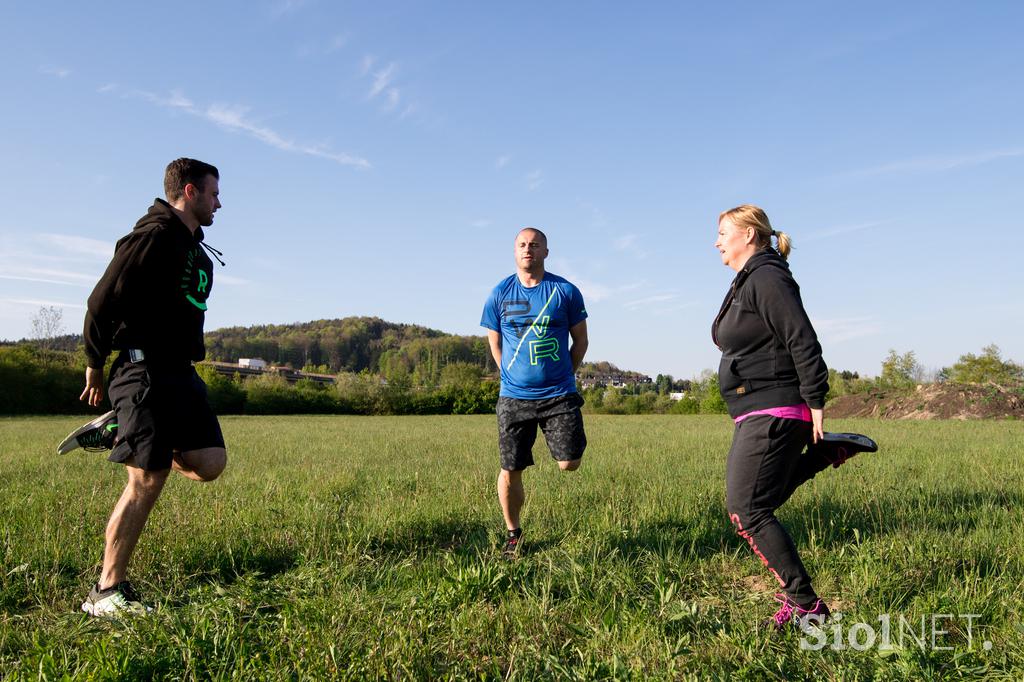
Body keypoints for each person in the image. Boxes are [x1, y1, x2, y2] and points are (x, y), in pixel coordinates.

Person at [57, 158, 228, 616]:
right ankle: (106, 592)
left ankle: (123, 432)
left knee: (211, 462)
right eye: (213, 193)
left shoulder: (190, 244)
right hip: (141, 370)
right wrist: (94, 365)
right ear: (189, 192)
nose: (219, 203)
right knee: (147, 478)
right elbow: (100, 300)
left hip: (178, 371)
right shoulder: (152, 236)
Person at [712, 204, 877, 632]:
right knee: (754, 504)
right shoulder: (752, 277)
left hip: (777, 407)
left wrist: (816, 400)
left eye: (724, 233)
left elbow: (801, 337)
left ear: (750, 234)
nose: (717, 242)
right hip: (760, 408)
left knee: (747, 509)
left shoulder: (767, 276)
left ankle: (807, 605)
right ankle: (826, 456)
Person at [480, 227, 589, 556]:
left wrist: (565, 374)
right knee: (510, 469)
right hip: (514, 397)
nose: (528, 249)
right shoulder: (500, 293)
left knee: (569, 463)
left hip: (559, 393)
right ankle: (514, 534)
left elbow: (581, 340)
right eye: (522, 245)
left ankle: (561, 446)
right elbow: (494, 341)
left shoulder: (565, 291)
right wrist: (509, 374)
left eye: (535, 245)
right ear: (515, 251)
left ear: (545, 252)